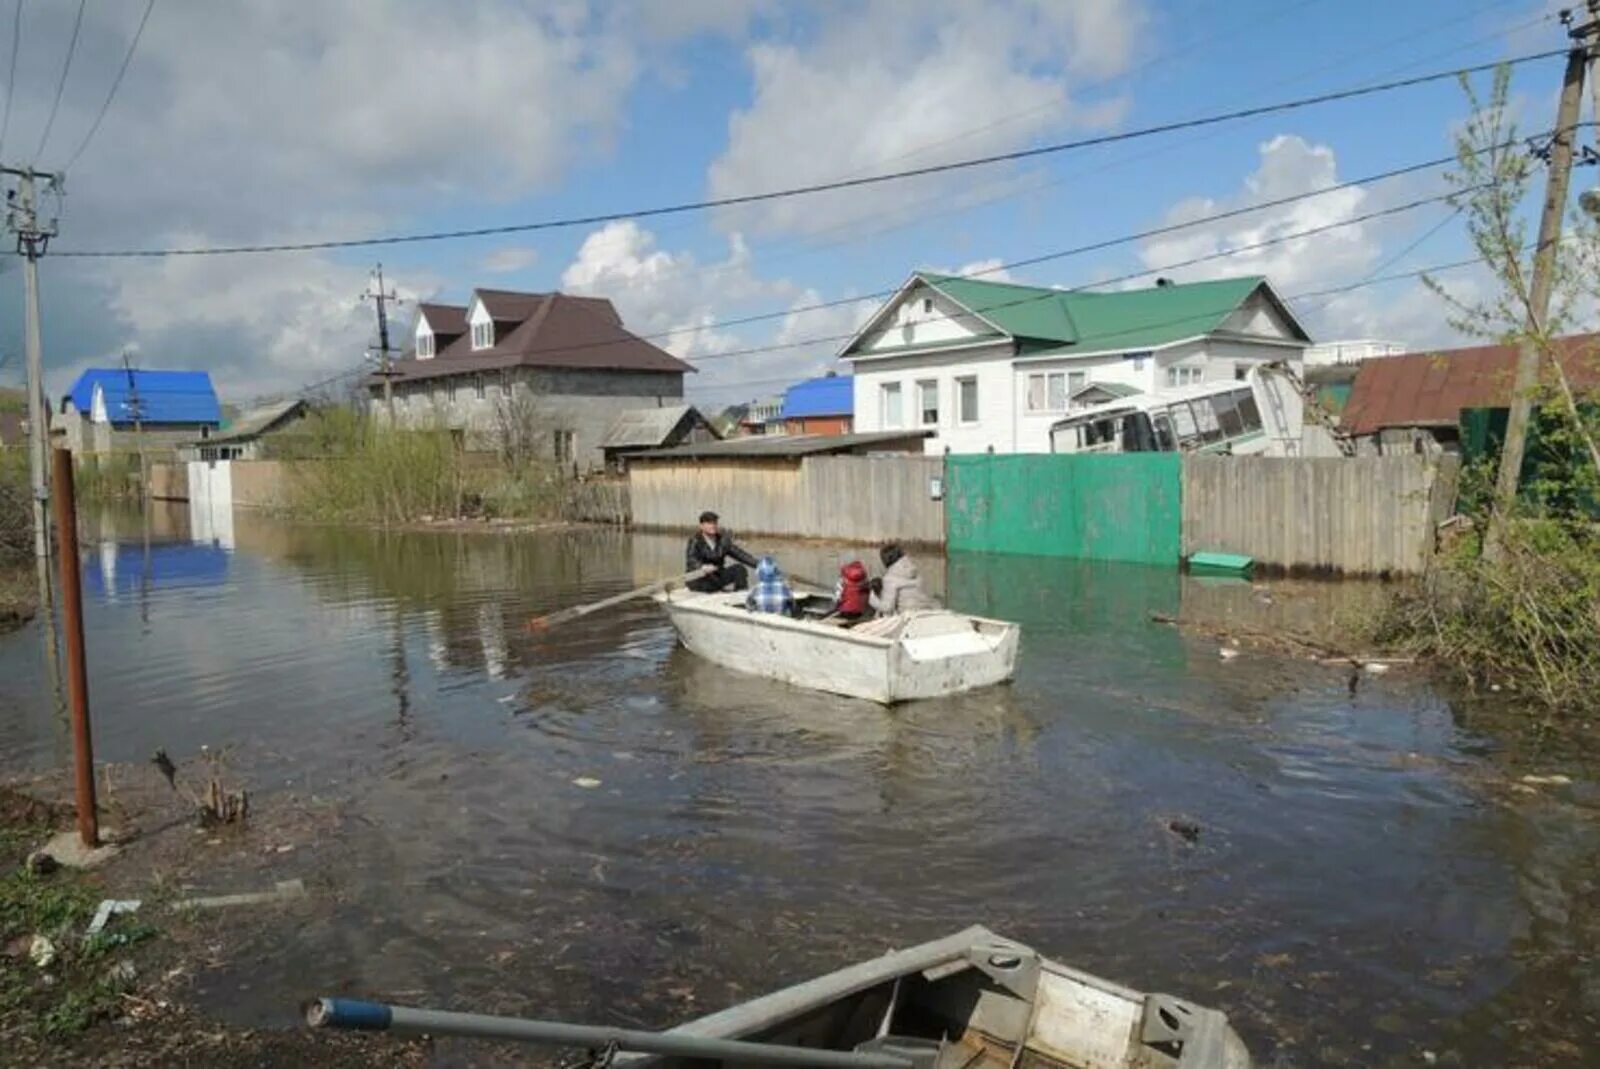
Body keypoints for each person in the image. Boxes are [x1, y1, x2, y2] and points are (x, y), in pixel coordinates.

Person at [685, 510, 757, 593]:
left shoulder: (723, 540)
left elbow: (741, 555)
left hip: (716, 577)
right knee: (706, 583)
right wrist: (702, 567)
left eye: (714, 523)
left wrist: (759, 564)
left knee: (739, 569)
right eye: (709, 523)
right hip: (700, 579)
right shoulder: (695, 540)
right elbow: (691, 559)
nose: (713, 526)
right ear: (701, 526)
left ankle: (740, 595)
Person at [870, 542, 936, 615]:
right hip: (927, 610)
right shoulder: (915, 569)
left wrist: (872, 600)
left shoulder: (890, 578)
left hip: (909, 615)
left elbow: (888, 608)